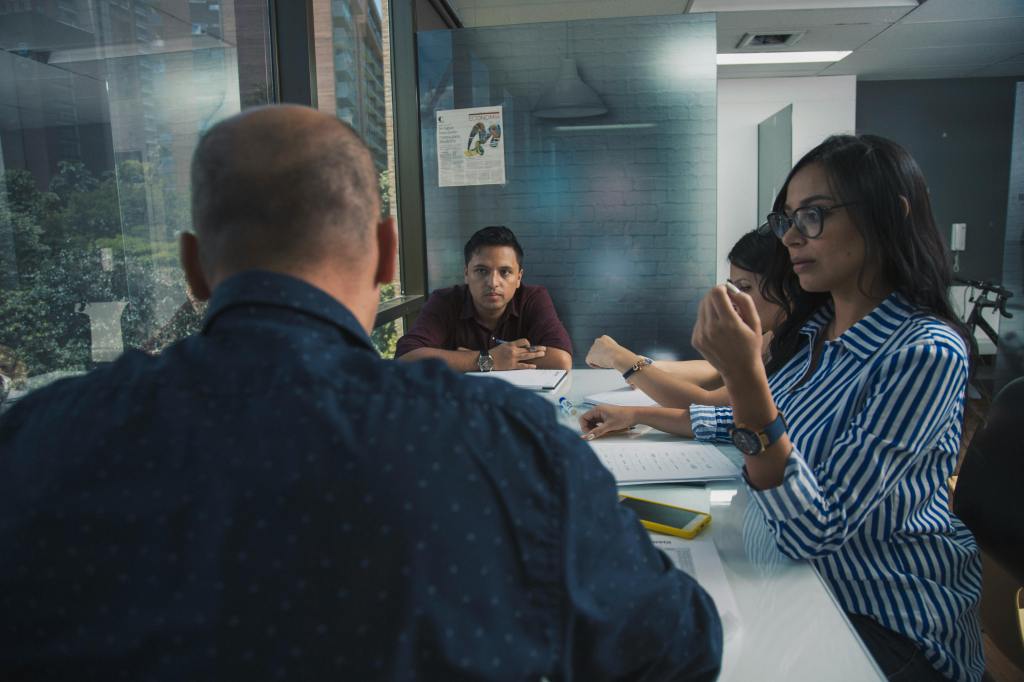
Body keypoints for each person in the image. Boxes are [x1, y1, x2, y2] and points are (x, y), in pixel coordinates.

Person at [0, 106, 722, 681]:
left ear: (193, 268)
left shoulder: (36, 442)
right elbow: (678, 646)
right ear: (385, 250)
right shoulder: (505, 446)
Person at [581, 134, 983, 682]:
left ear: (891, 214)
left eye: (814, 216)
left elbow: (814, 531)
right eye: (787, 219)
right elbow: (740, 425)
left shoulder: (924, 352)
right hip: (795, 581)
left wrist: (746, 376)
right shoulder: (816, 331)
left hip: (883, 619)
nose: (792, 237)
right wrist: (639, 415)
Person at [584, 229, 791, 407]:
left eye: (745, 287)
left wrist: (620, 358)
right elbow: (718, 371)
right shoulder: (777, 336)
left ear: (788, 287)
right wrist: (643, 366)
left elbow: (709, 403)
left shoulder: (798, 348)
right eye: (734, 287)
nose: (734, 300)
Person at [396, 225, 573, 372]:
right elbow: (406, 358)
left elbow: (561, 360)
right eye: (482, 271)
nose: (493, 282)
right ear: (466, 273)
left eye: (505, 272)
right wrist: (489, 360)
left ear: (519, 277)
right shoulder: (444, 301)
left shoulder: (533, 298)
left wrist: (464, 359)